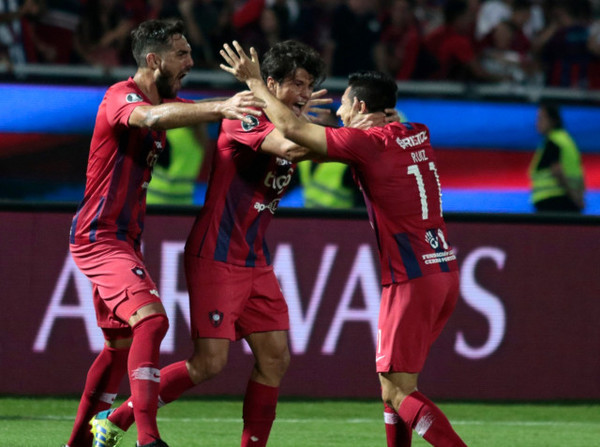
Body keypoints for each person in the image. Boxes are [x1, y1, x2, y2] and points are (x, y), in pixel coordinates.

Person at [221, 41, 468, 447]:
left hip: (410, 278)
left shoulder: (365, 145)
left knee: (399, 392)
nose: (338, 112)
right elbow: (327, 141)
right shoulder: (414, 132)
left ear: (361, 108)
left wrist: (254, 84)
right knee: (395, 386)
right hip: (443, 270)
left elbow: (296, 135)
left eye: (344, 105)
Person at [84, 39, 329, 447]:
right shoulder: (245, 119)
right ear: (269, 83)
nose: (304, 94)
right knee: (209, 364)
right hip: (216, 255)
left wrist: (299, 116)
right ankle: (118, 419)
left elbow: (298, 136)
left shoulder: (285, 116)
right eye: (297, 84)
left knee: (275, 358)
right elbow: (293, 146)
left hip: (255, 259)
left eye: (309, 86)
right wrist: (358, 137)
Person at [64, 19, 266, 447]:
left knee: (119, 347)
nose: (191, 62)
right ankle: (148, 439)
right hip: (99, 237)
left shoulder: (165, 103)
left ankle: (78, 443)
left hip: (124, 239)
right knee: (152, 322)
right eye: (182, 54)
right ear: (153, 60)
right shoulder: (121, 96)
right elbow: (152, 115)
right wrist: (221, 108)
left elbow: (177, 110)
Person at [529, 102, 585, 212]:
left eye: (541, 119)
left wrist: (575, 198)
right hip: (566, 202)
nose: (537, 123)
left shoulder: (554, 141)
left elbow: (557, 170)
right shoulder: (567, 140)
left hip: (553, 202)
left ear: (552, 120)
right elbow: (579, 174)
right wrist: (579, 198)